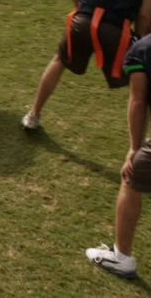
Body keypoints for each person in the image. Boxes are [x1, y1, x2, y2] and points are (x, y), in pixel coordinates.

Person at [22, 0, 151, 131]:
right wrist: (140, 38)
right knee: (141, 84)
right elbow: (145, 14)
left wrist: (81, 9)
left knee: (59, 60)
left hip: (82, 22)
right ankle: (140, 142)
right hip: (116, 30)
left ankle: (33, 114)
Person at [85, 34, 151, 279]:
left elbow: (138, 101)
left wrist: (134, 149)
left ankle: (121, 257)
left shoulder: (142, 49)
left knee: (131, 176)